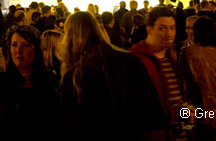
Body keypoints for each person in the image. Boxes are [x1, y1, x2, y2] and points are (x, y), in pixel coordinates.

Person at [59, 11, 160, 139]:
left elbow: (71, 122)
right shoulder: (129, 59)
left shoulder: (75, 75)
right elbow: (150, 101)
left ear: (69, 36)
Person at [0, 24, 60, 141]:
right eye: (14, 45)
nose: (19, 50)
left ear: (35, 49)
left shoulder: (50, 80)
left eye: (25, 45)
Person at [129, 6, 192, 138]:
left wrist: (189, 122)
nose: (169, 34)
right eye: (162, 28)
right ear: (149, 29)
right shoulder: (136, 60)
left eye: (172, 28)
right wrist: (177, 113)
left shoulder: (172, 56)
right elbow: (139, 109)